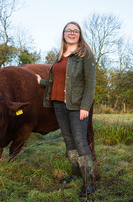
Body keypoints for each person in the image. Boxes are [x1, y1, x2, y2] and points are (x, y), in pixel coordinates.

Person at [37, 21, 96, 197]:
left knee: (80, 141)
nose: (72, 33)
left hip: (77, 105)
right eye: (68, 30)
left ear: (79, 34)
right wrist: (41, 82)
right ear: (63, 34)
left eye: (75, 31)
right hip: (58, 103)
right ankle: (75, 174)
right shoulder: (60, 55)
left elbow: (90, 84)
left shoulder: (85, 54)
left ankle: (89, 183)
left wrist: (85, 106)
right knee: (69, 140)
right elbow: (58, 81)